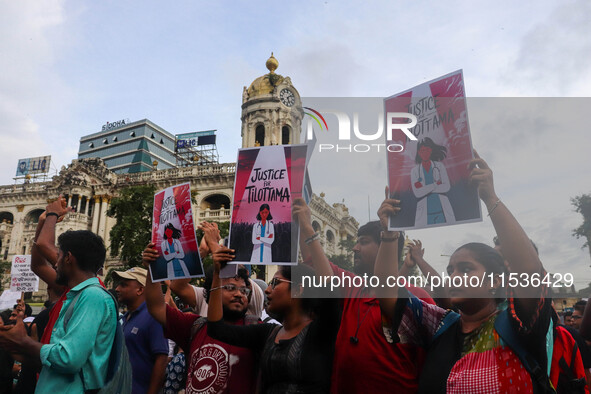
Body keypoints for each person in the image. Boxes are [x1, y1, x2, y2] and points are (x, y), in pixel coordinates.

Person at [379, 151, 554, 393]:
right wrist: (389, 235)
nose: (454, 277)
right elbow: (388, 294)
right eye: (451, 270)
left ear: (494, 281)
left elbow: (530, 271)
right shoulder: (439, 326)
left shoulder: (517, 323)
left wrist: (489, 197)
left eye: (466, 268)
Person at [207, 198, 339, 393]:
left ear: (298, 289)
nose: (267, 290)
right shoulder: (267, 333)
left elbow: (330, 288)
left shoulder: (321, 332)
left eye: (275, 283)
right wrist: (218, 273)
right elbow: (216, 329)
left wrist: (307, 229)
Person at [0, 198, 116, 393]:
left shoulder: (93, 296)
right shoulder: (73, 291)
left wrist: (24, 343)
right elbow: (37, 264)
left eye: (59, 255)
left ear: (69, 258)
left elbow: (69, 358)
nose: (55, 261)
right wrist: (42, 222)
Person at [143, 242, 259, 393]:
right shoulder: (195, 327)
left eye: (244, 290)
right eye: (230, 288)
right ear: (211, 292)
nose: (238, 294)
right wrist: (153, 269)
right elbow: (156, 307)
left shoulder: (257, 331)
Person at [169, 222, 265, 318]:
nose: (238, 294)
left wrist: (212, 243)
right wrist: (202, 252)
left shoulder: (251, 292)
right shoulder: (205, 295)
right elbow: (177, 286)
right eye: (230, 288)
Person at [114, 267, 168, 394]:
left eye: (123, 285)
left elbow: (162, 359)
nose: (117, 289)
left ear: (140, 290)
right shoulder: (127, 317)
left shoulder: (153, 317)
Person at [410, 137, 455, 226]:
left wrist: (425, 189)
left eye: (427, 150)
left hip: (442, 210)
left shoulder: (439, 166)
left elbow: (446, 187)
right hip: (425, 213)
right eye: (422, 151)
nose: (425, 153)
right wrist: (436, 184)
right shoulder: (415, 171)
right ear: (418, 152)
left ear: (431, 150)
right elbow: (417, 193)